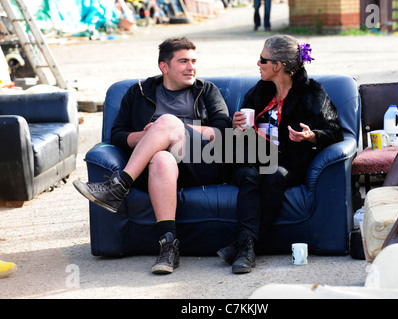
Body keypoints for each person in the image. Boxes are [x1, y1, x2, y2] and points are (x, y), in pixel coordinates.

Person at [73, 37, 231, 275]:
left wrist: (173, 129)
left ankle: (119, 186)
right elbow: (116, 136)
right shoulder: (138, 92)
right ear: (164, 67)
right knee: (161, 159)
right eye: (183, 61)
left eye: (194, 61)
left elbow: (221, 131)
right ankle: (169, 246)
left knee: (167, 122)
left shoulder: (206, 90)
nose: (191, 67)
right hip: (156, 172)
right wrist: (149, 136)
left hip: (200, 164)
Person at [218, 35, 344, 274]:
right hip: (252, 159)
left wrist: (311, 136)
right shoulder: (259, 92)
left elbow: (335, 132)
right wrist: (234, 124)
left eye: (262, 60)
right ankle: (248, 246)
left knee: (274, 175)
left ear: (278, 66)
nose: (258, 63)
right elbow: (238, 132)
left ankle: (246, 246)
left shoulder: (313, 93)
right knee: (247, 175)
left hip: (287, 163)